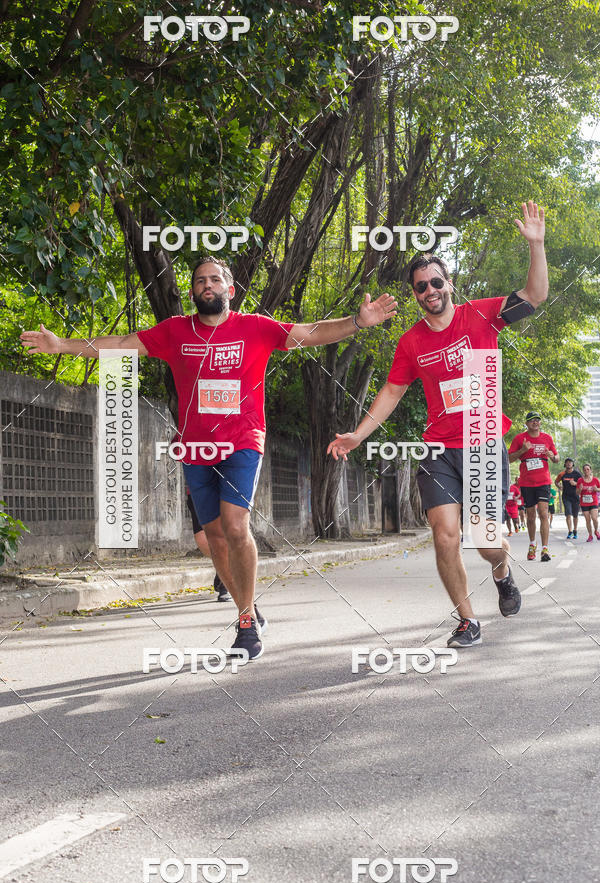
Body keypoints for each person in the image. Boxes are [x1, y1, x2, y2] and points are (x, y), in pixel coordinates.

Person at [20, 257, 396, 661]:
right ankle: (246, 607)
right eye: (200, 280)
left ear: (230, 290)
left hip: (242, 441)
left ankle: (247, 624)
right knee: (212, 537)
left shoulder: (255, 328)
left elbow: (311, 332)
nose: (207, 285)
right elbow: (124, 343)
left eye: (215, 279)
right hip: (195, 448)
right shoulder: (176, 331)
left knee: (236, 525)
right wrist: (63, 346)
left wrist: (357, 322)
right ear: (193, 292)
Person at [328, 201, 548, 648]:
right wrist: (357, 434)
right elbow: (390, 393)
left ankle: (502, 572)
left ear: (449, 283)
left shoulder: (482, 314)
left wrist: (536, 245)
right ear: (415, 294)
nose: (429, 289)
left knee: (486, 544)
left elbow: (536, 295)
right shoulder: (411, 342)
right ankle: (467, 620)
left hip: (484, 443)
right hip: (438, 449)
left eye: (435, 281)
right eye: (420, 286)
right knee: (445, 534)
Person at [508, 413, 559, 562]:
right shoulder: (519, 439)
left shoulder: (547, 438)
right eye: (532, 420)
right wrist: (522, 450)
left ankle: (545, 549)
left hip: (543, 481)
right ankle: (532, 545)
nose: (535, 422)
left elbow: (557, 459)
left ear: (540, 423)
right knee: (530, 516)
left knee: (543, 513)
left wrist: (552, 456)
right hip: (527, 482)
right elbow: (509, 459)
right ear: (527, 423)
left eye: (537, 420)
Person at [185, 486, 232, 602]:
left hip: (229, 485)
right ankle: (222, 566)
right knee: (202, 538)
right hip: (198, 484)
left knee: (227, 531)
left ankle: (225, 583)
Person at [555, 458, 582, 539]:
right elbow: (556, 482)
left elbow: (582, 484)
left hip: (575, 496)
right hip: (566, 497)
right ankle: (570, 531)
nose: (568, 464)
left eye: (570, 462)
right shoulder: (562, 474)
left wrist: (575, 483)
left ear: (572, 464)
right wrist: (559, 486)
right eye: (567, 462)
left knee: (575, 515)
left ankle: (575, 530)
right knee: (568, 514)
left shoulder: (577, 474)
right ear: (565, 464)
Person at [576, 463, 600, 542]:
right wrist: (580, 489)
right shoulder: (580, 480)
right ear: (583, 471)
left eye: (588, 469)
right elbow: (577, 493)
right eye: (585, 469)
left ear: (590, 470)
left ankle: (596, 531)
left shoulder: (595, 480)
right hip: (584, 503)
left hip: (593, 502)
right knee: (588, 520)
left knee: (594, 518)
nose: (586, 471)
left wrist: (597, 490)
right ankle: (590, 535)